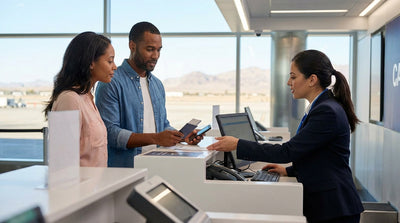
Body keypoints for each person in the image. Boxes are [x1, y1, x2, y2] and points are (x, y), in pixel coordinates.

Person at [207, 50, 364, 223]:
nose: (289, 82)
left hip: (334, 207)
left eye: (293, 77)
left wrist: (238, 144)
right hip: (330, 203)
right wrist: (288, 170)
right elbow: (318, 155)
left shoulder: (326, 111)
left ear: (312, 79)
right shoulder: (324, 106)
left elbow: (287, 152)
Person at [95, 21, 203, 168]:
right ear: (132, 46)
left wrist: (181, 136)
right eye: (150, 49)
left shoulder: (157, 85)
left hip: (155, 167)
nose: (155, 56)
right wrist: (156, 138)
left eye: (159, 50)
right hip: (125, 171)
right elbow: (110, 133)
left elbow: (162, 125)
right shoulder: (111, 82)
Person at [44, 31, 117, 167]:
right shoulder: (69, 100)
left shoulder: (87, 98)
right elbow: (62, 161)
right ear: (91, 63)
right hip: (80, 187)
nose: (115, 67)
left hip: (95, 185)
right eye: (110, 61)